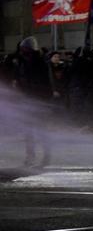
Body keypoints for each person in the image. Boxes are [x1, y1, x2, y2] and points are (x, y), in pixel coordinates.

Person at [13, 37, 53, 167]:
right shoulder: (23, 63)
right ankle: (30, 156)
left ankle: (46, 156)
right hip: (27, 101)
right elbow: (21, 79)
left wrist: (45, 101)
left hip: (39, 102)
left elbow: (47, 84)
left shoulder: (41, 63)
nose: (23, 52)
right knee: (28, 132)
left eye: (25, 50)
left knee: (41, 132)